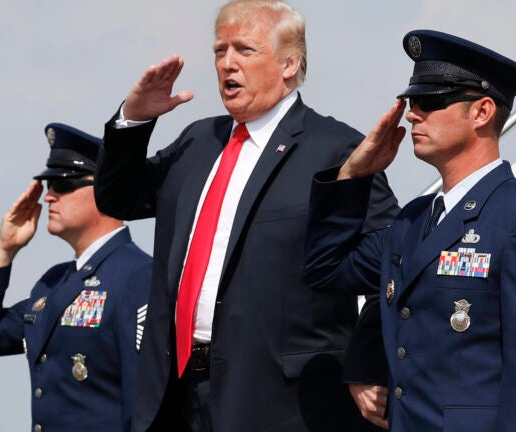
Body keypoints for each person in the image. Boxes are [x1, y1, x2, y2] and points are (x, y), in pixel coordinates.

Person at [93, 1, 399, 430]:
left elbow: (394, 259)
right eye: (220, 51)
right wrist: (133, 120)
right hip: (177, 394)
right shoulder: (199, 140)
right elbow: (118, 199)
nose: (227, 63)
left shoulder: (335, 150)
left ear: (289, 64)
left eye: (244, 50)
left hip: (283, 403)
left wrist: (366, 363)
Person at [302, 29, 516, 432]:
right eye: (412, 102)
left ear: (482, 112)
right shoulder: (413, 221)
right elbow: (325, 268)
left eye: (431, 101)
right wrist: (353, 175)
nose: (412, 114)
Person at [0, 123, 153, 432]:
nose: (48, 197)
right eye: (49, 186)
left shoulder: (137, 276)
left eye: (63, 185)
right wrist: (5, 250)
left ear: (104, 187)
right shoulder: (54, 282)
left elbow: (145, 404)